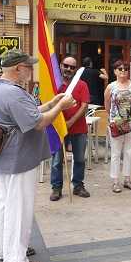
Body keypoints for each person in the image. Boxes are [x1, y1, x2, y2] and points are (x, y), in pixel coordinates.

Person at [0, 49, 74, 262]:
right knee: (19, 209)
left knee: (6, 205)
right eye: (28, 66)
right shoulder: (13, 93)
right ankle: (16, 259)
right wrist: (60, 107)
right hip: (19, 159)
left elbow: (31, 112)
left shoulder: (2, 87)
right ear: (18, 68)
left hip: (9, 158)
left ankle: (6, 249)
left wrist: (51, 103)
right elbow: (39, 122)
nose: (31, 70)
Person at [50, 56, 91, 201]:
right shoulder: (54, 84)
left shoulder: (82, 85)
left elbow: (84, 105)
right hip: (58, 128)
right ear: (60, 65)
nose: (68, 69)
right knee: (56, 161)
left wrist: (71, 122)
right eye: (66, 65)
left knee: (79, 159)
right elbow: (49, 104)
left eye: (72, 67)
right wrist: (62, 123)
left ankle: (78, 186)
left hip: (78, 129)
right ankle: (56, 188)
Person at [104, 59, 131, 193]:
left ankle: (127, 179)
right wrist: (112, 118)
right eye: (120, 69)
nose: (123, 71)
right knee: (115, 152)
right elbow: (107, 103)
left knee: (129, 151)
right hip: (117, 121)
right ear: (115, 71)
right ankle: (115, 181)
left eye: (125, 69)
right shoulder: (111, 86)